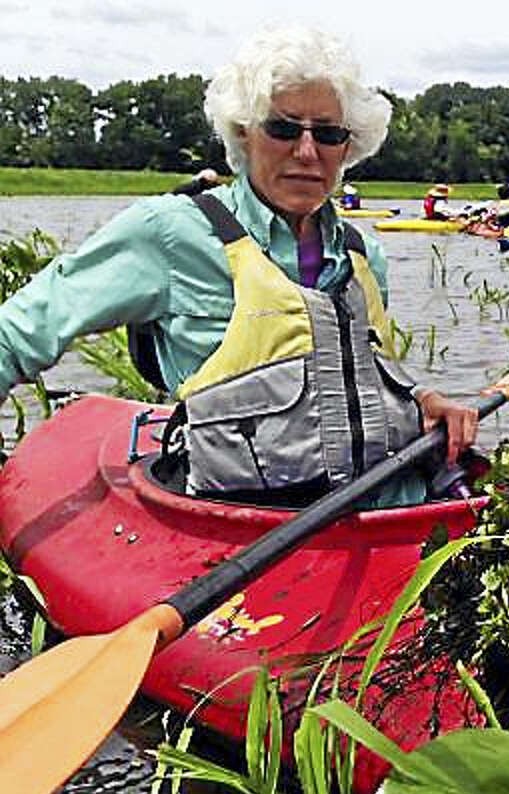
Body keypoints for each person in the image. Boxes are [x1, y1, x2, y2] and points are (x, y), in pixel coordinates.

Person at [0, 26, 478, 508]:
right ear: (245, 132)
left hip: (384, 515)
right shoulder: (169, 235)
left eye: (328, 134)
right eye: (284, 128)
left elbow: (348, 381)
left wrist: (421, 403)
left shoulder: (363, 255)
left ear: (348, 146)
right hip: (240, 527)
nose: (308, 152)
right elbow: (15, 335)